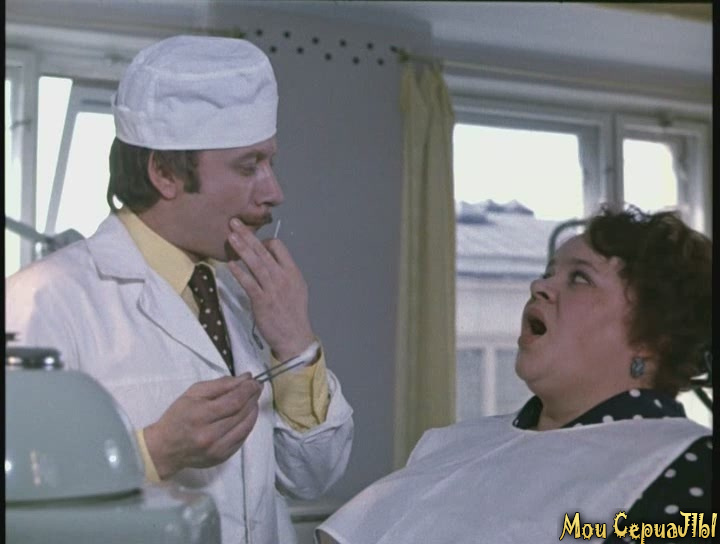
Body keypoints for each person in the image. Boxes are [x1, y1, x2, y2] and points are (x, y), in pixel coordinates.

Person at [6, 35, 354, 544]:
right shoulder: (41, 303)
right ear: (165, 173)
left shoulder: (242, 298)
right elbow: (20, 505)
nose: (274, 192)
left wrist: (295, 343)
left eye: (270, 163)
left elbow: (311, 477)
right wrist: (156, 452)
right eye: (248, 166)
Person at [317, 206, 711, 544]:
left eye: (580, 278)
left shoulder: (689, 465)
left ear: (651, 339)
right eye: (549, 272)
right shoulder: (452, 444)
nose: (540, 285)